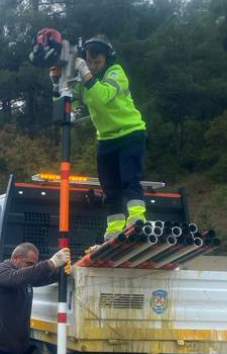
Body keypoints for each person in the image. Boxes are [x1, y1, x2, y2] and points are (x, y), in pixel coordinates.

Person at [67, 35, 148, 241]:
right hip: (106, 139)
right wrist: (60, 84)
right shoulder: (84, 80)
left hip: (130, 132)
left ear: (107, 59)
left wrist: (84, 72)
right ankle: (114, 228)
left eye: (97, 62)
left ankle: (137, 219)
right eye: (89, 62)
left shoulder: (116, 73)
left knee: (129, 179)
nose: (92, 66)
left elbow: (102, 97)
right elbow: (69, 99)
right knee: (110, 188)